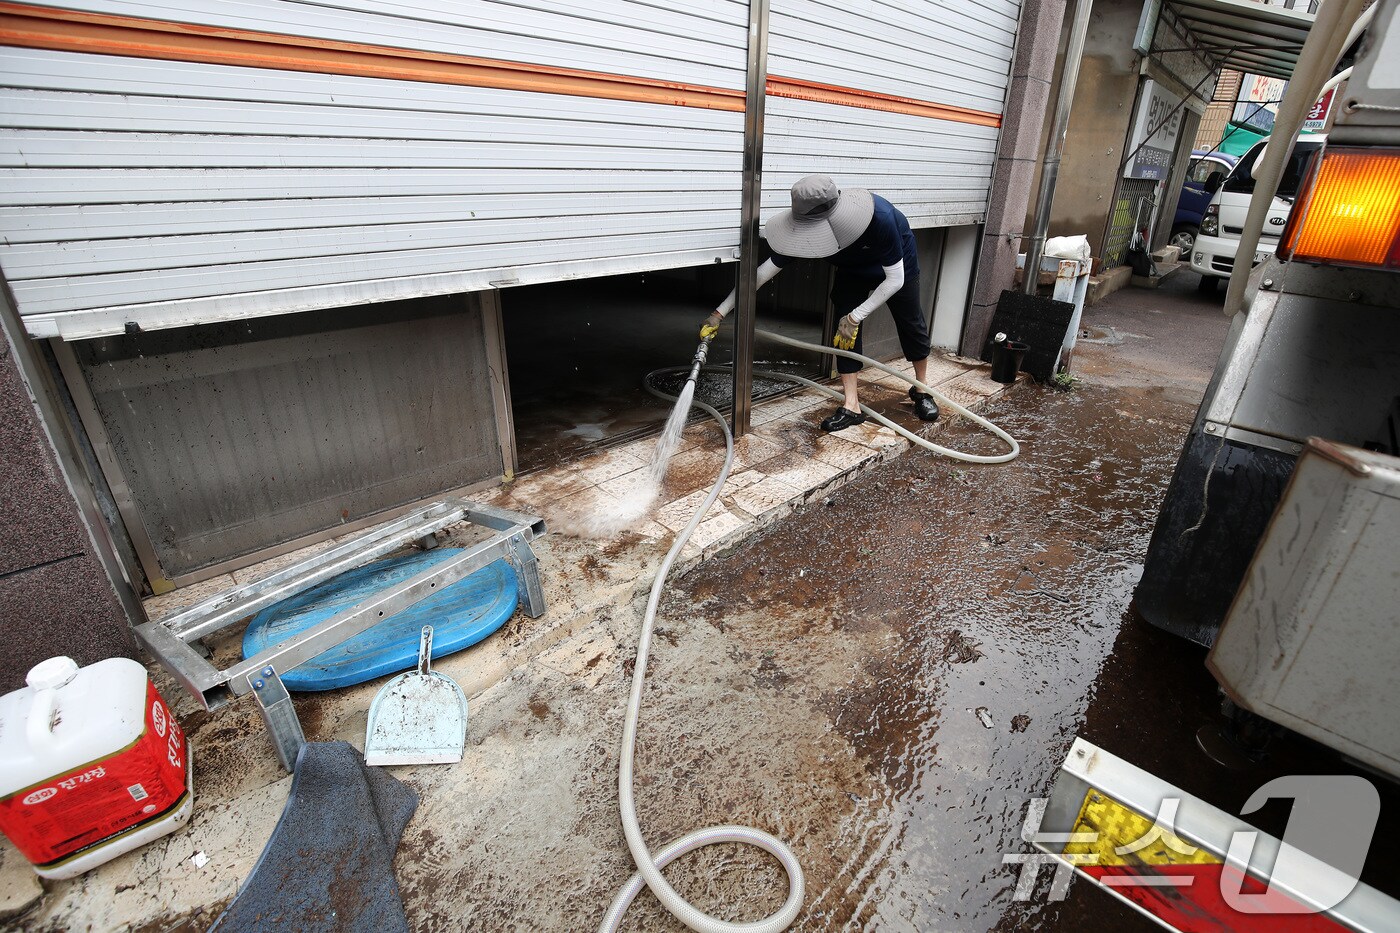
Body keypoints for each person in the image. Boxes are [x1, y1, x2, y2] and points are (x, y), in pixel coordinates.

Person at [702, 174, 940, 432]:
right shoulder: (802, 227)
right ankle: (852, 405)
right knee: (843, 331)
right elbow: (760, 275)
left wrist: (856, 317)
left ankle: (921, 389)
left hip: (897, 268)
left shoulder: (879, 218)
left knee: (910, 320)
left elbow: (895, 280)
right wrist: (719, 312)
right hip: (852, 271)